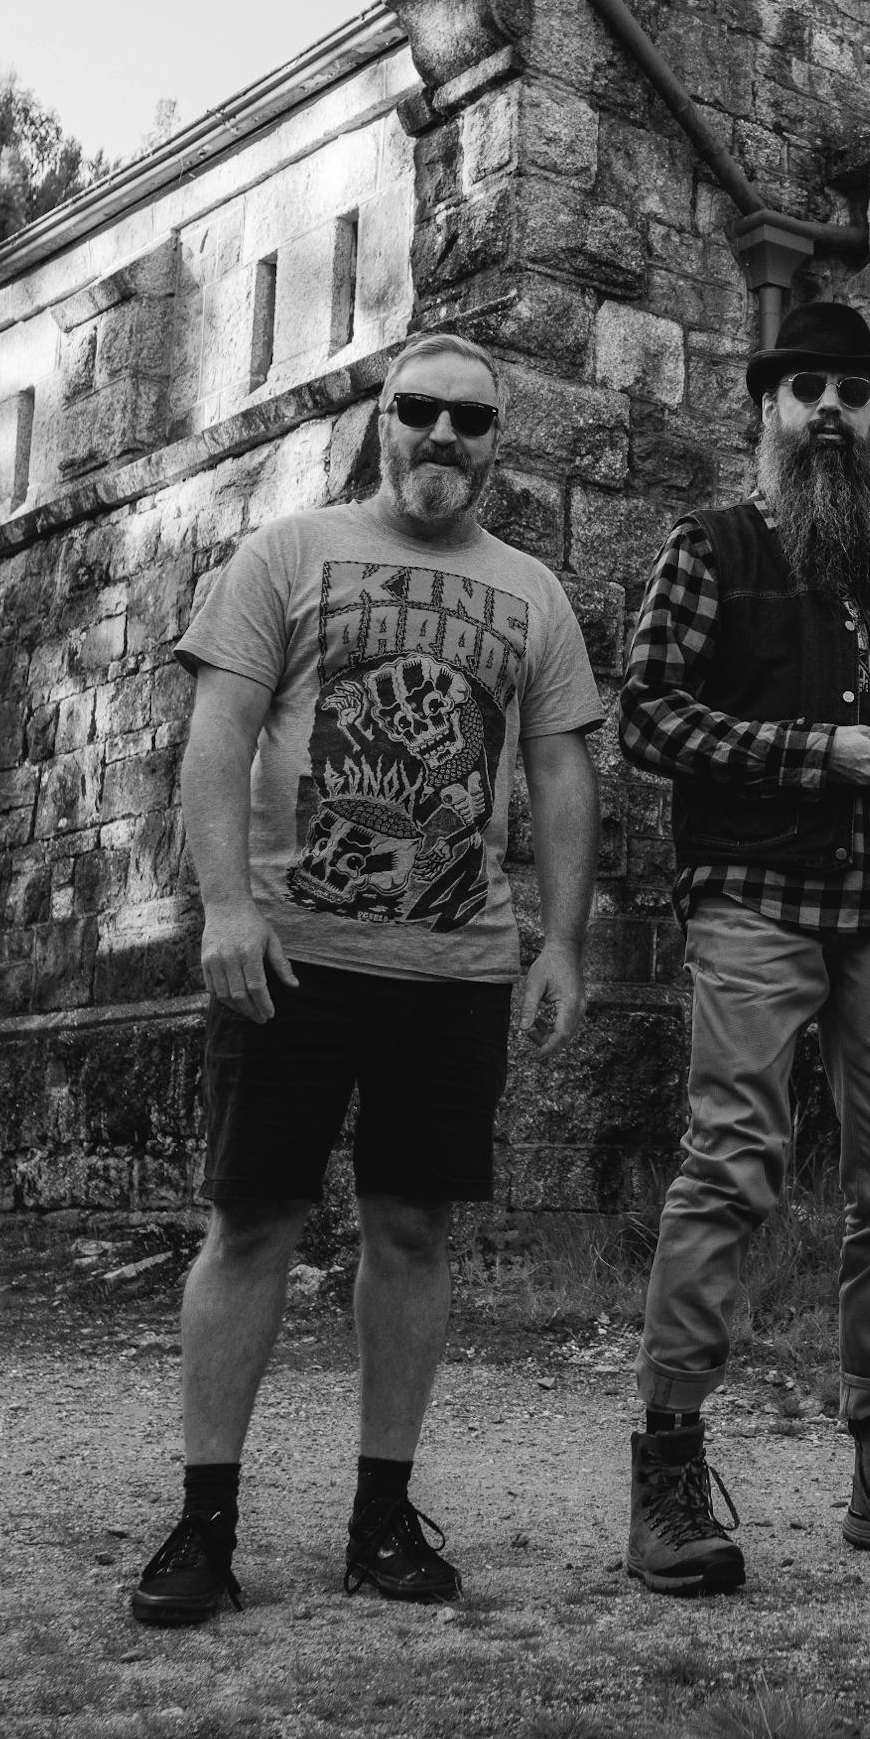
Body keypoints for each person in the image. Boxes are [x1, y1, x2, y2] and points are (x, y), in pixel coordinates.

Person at [126, 330, 603, 1627]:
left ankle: (381, 1520)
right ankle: (205, 1522)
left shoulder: (534, 594)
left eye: (471, 420)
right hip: (291, 956)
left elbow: (562, 774)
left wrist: (559, 942)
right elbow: (217, 734)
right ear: (381, 418)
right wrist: (223, 901)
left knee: (412, 1228)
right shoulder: (289, 555)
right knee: (253, 1222)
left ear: (497, 442)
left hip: (452, 968)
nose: (445, 436)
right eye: (421, 411)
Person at [614, 298, 870, 1594]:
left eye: (853, 392)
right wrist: (808, 753)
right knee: (731, 1165)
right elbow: (651, 719)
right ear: (767, 414)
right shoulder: (711, 549)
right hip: (755, 900)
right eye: (807, 391)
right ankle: (668, 1477)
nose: (831, 410)